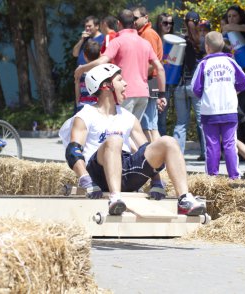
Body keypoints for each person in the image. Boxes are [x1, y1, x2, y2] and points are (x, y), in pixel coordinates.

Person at [59, 63, 206, 216]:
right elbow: (73, 152)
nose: (126, 83)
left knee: (168, 141)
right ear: (105, 85)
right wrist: (85, 179)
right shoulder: (85, 115)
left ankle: (184, 199)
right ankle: (115, 198)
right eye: (120, 80)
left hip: (126, 171)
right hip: (98, 174)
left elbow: (146, 150)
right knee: (115, 140)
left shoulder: (129, 117)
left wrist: (156, 180)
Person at [74, 9, 166, 123]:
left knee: (120, 133)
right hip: (143, 94)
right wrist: (162, 95)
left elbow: (101, 61)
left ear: (118, 23)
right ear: (133, 23)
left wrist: (82, 68)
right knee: (134, 133)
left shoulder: (117, 41)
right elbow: (160, 68)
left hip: (125, 93)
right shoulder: (145, 43)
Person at [191, 31, 245, 179]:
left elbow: (195, 88)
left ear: (207, 47)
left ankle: (212, 176)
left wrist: (206, 95)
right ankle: (234, 176)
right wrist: (233, 90)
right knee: (230, 143)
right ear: (223, 45)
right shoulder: (230, 62)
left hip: (210, 110)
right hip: (229, 108)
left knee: (212, 145)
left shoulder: (204, 64)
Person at [222, 5, 245, 156]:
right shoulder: (229, 35)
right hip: (233, 79)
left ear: (240, 17)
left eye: (234, 15)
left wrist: (227, 27)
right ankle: (237, 150)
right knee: (236, 114)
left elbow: (228, 27)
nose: (231, 19)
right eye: (229, 16)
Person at [173, 11, 206, 161]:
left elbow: (172, 62)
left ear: (185, 23)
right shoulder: (203, 42)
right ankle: (207, 153)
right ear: (199, 23)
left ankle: (177, 155)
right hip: (197, 86)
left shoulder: (178, 41)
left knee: (181, 123)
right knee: (202, 121)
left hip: (180, 85)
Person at [132, 6, 163, 142]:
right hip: (148, 81)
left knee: (148, 126)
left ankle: (156, 159)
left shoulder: (147, 34)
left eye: (135, 18)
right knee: (149, 125)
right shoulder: (142, 33)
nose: (133, 21)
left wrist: (137, 76)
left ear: (146, 18)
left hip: (148, 81)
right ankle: (158, 159)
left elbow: (151, 63)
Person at [72, 16, 105, 105]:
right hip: (81, 79)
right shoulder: (85, 39)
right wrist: (81, 40)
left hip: (94, 78)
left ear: (97, 26)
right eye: (86, 26)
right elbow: (75, 53)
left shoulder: (103, 39)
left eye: (90, 26)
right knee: (80, 103)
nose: (87, 28)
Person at [155, 12, 174, 136]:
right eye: (165, 23)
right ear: (159, 24)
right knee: (152, 117)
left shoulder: (175, 40)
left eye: (171, 23)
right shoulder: (155, 38)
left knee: (162, 117)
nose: (168, 26)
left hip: (168, 81)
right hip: (154, 81)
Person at [74, 40, 101, 113]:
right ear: (100, 55)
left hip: (82, 107)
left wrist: (77, 103)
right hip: (97, 107)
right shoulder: (101, 72)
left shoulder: (80, 71)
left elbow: (77, 88)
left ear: (84, 56)